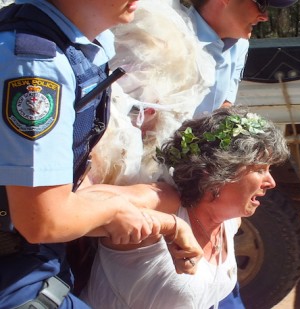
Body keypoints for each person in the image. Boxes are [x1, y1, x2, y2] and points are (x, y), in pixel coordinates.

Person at [0, 1, 202, 308]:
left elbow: (68, 190)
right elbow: (42, 220)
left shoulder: (73, 47)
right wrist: (119, 213)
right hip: (17, 280)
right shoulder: (36, 65)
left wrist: (161, 217)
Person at [81, 107, 290, 308]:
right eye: (260, 169)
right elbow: (83, 201)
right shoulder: (165, 202)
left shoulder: (230, 222)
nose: (271, 182)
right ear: (217, 170)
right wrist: (170, 225)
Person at [186, 0, 298, 117]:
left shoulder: (239, 44)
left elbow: (224, 106)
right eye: (261, 4)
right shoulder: (170, 44)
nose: (264, 17)